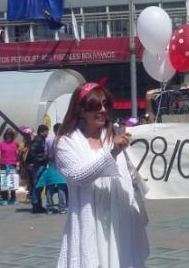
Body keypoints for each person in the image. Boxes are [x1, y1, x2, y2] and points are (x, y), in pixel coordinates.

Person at [54, 82, 149, 267]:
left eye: (105, 104)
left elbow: (131, 173)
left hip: (119, 218)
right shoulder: (66, 142)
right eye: (95, 106)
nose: (103, 110)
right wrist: (113, 153)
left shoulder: (114, 136)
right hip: (92, 219)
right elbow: (78, 176)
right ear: (81, 111)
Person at [37, 123, 68, 214]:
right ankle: (62, 208)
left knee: (49, 186)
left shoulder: (48, 140)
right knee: (61, 187)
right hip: (61, 165)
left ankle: (50, 208)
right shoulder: (64, 140)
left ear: (54, 131)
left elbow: (46, 153)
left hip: (51, 164)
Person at [27, 124, 50, 213]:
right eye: (46, 131)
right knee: (37, 185)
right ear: (42, 132)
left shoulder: (41, 139)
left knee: (39, 186)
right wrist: (41, 159)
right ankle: (36, 206)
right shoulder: (38, 140)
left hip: (41, 164)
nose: (47, 133)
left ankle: (38, 205)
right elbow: (32, 152)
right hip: (38, 165)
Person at [0, 128, 20, 205]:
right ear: (5, 135)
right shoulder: (1, 144)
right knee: (4, 183)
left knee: (13, 182)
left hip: (13, 164)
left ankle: (13, 199)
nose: (9, 136)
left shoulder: (15, 144)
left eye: (11, 134)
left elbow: (18, 155)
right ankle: (5, 199)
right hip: (3, 164)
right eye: (8, 134)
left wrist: (18, 164)